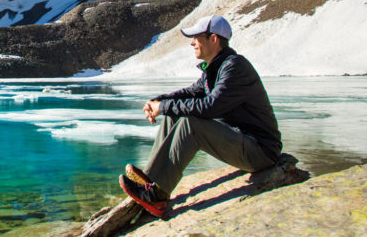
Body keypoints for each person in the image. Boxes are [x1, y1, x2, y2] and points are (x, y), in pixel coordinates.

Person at [119, 14, 282, 217]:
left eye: (197, 37)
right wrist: (157, 102)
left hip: (261, 151)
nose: (192, 43)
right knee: (173, 113)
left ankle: (156, 195)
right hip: (242, 141)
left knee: (190, 123)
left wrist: (164, 106)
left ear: (214, 39)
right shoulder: (215, 69)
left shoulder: (234, 67)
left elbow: (209, 108)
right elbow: (189, 93)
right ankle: (151, 182)